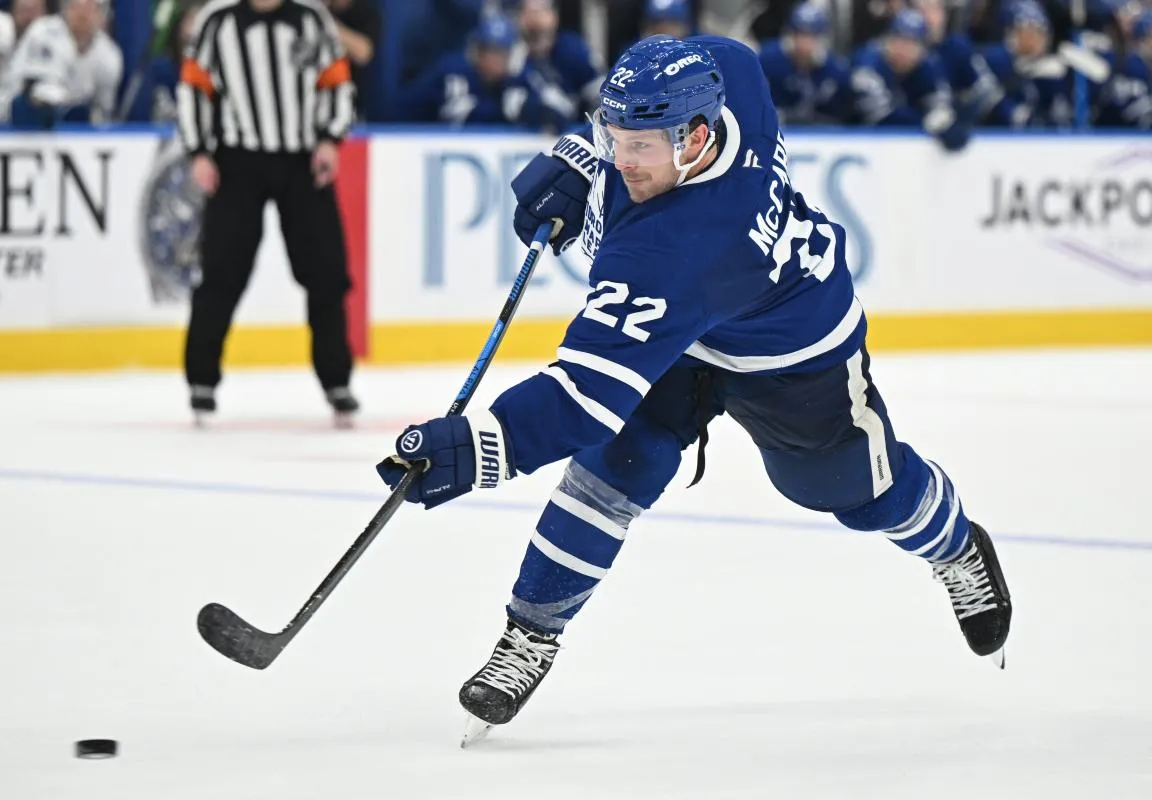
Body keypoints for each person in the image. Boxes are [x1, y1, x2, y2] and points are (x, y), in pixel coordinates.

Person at [376, 34, 1013, 742]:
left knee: (854, 492)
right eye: (614, 136)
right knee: (619, 465)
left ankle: (956, 546)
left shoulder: (681, 248)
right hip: (684, 335)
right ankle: (531, 631)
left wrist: (474, 447)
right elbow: (712, 55)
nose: (623, 160)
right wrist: (585, 157)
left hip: (791, 354)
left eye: (640, 147)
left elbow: (582, 398)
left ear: (697, 137)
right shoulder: (729, 81)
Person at [177, 0, 359, 424]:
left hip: (302, 160)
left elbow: (336, 80)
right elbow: (194, 86)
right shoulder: (217, 19)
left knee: (327, 272)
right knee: (221, 270)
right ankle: (201, 379)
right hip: (237, 161)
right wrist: (198, 151)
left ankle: (337, 380)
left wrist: (331, 139)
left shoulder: (310, 18)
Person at [850, 9, 969, 150]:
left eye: (912, 43)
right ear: (887, 39)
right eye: (898, 39)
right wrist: (927, 121)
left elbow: (942, 109)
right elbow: (881, 118)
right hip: (857, 140)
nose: (903, 49)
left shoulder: (928, 66)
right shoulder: (868, 65)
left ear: (922, 48)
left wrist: (945, 124)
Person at [0, 0, 122, 127]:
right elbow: (37, 92)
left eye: (90, 8)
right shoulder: (43, 32)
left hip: (69, 119)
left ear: (101, 14)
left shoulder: (109, 55)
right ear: (66, 8)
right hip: (17, 114)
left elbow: (103, 109)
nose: (82, 14)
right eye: (77, 6)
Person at [399, 14, 536, 127]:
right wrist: (507, 110)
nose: (494, 60)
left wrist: (530, 109)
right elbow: (459, 116)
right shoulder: (453, 71)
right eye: (488, 51)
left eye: (501, 53)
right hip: (419, 136)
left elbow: (545, 108)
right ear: (476, 53)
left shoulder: (519, 77)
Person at [508, 0, 602, 133]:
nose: (534, 20)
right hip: (530, 135)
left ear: (554, 16)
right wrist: (540, 110)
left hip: (577, 131)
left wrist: (590, 129)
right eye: (528, 12)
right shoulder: (514, 54)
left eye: (540, 11)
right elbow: (510, 104)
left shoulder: (574, 50)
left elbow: (601, 94)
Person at [978, 0, 1075, 129]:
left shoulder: (1054, 72)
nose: (1035, 38)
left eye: (1039, 31)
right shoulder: (994, 62)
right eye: (1027, 29)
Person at [757, 3, 852, 126]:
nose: (804, 43)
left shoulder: (835, 70)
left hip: (817, 132)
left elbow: (841, 116)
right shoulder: (768, 60)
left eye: (811, 36)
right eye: (799, 35)